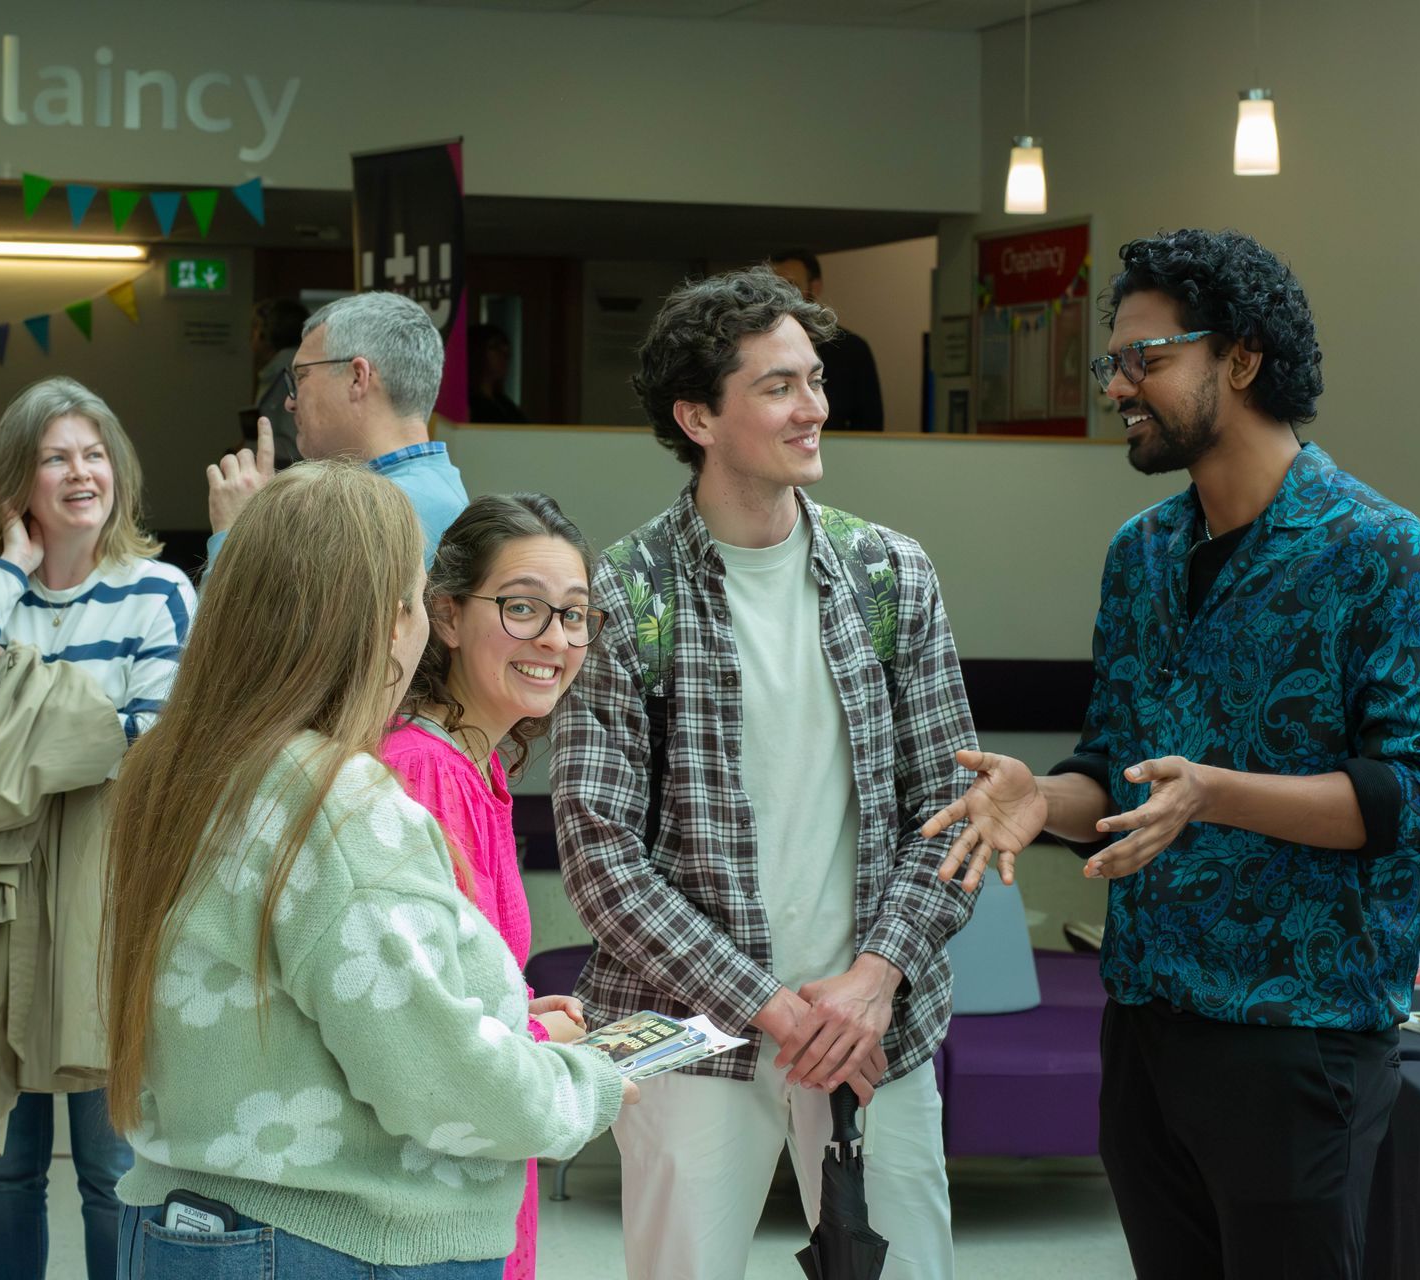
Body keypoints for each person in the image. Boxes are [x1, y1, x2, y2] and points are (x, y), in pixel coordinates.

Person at [923, 229, 1420, 1280]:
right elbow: (1116, 768)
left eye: (1147, 358)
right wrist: (1042, 798)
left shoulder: (1380, 551)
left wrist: (1216, 793)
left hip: (1300, 1032)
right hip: (1146, 1020)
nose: (1117, 388)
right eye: (1112, 362)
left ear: (1243, 356)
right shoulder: (1140, 553)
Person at [551, 266, 978, 1280]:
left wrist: (874, 980)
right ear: (698, 416)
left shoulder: (889, 573)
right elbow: (601, 857)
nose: (814, 407)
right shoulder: (626, 593)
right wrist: (776, 1008)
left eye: (815, 380)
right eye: (780, 386)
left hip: (874, 1022)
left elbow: (955, 809)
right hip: (689, 1031)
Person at [101, 462, 629, 1278]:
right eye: (416, 596)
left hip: (197, 1222)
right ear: (390, 621)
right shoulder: (338, 800)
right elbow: (436, 1078)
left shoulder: (184, 767)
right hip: (327, 1241)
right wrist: (585, 1081)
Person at [0, 376, 197, 1280]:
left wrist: (15, 733)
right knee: (2, 1169)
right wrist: (8, 569)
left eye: (94, 454)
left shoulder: (157, 591)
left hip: (107, 895)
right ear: (17, 486)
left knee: (113, 1170)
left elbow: (157, 740)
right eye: (55, 458)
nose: (82, 473)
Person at [385, 493, 603, 1280]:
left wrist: (521, 1013)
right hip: (429, 1210)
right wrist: (543, 1046)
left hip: (472, 1183)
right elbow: (413, 1030)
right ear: (446, 615)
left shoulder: (474, 766)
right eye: (522, 607)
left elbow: (452, 982)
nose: (555, 639)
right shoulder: (424, 772)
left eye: (573, 615)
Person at [206, 290, 467, 568]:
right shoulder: (437, 491)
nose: (289, 402)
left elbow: (249, 601)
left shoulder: (369, 516)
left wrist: (237, 533)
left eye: (301, 376)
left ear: (357, 378)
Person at [769, 249, 885, 430]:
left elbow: (871, 424)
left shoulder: (850, 349)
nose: (781, 296)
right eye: (775, 287)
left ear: (814, 287)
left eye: (791, 285)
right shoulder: (763, 346)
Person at [248, 297, 306, 469]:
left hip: (286, 475)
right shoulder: (277, 371)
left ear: (263, 334)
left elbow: (293, 447)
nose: (250, 338)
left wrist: (250, 450)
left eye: (254, 329)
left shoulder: (291, 374)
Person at [467, 323, 528, 423]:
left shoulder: (506, 407)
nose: (504, 354)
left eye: (506, 350)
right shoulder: (467, 404)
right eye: (495, 347)